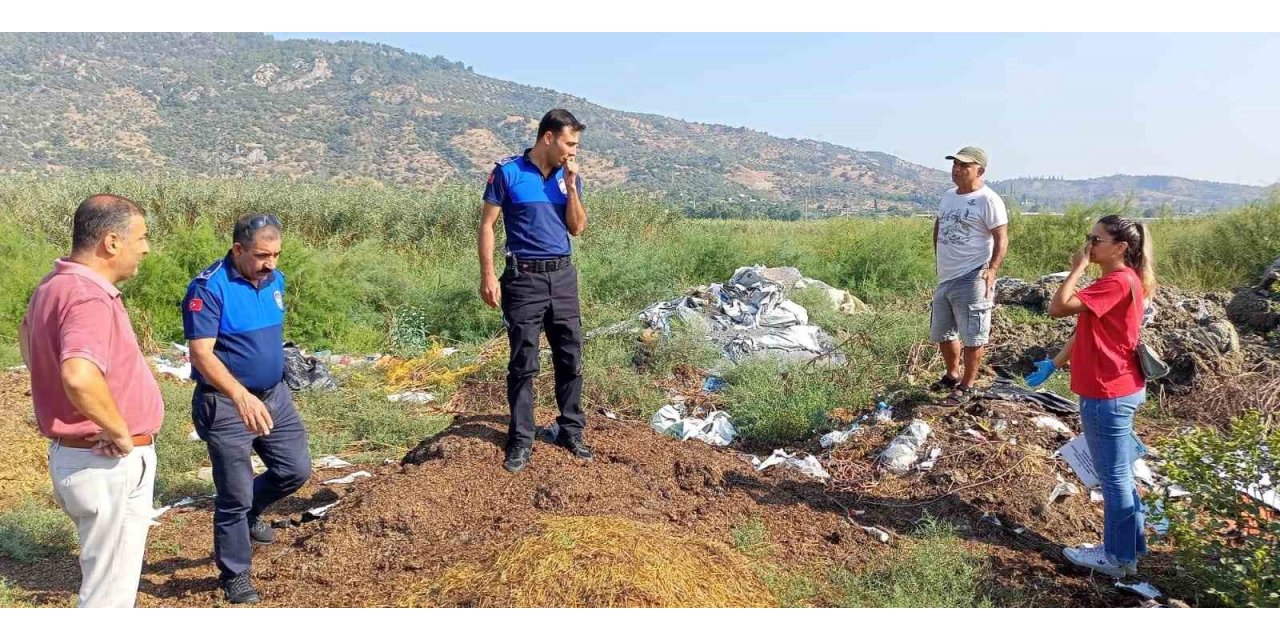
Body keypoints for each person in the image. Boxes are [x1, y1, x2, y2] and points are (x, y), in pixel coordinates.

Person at [18, 194, 162, 607]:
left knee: (105, 589)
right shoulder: (88, 295)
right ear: (112, 242)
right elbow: (79, 376)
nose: (146, 248)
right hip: (105, 462)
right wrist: (118, 430)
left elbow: (27, 336)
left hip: (81, 457)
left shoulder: (54, 284)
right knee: (107, 600)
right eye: (141, 237)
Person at [182, 214, 311, 604]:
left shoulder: (275, 280)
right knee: (234, 495)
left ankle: (252, 512)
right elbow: (201, 354)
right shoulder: (209, 287)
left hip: (273, 396)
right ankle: (235, 573)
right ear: (238, 249)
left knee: (294, 469)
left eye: (276, 254)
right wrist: (240, 396)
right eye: (261, 255)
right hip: (226, 403)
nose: (270, 263)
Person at [477, 108, 592, 473]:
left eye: (576, 145)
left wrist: (571, 187)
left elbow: (577, 229)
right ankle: (521, 439)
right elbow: (487, 226)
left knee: (570, 357)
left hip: (562, 277)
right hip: (523, 279)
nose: (573, 151)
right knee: (524, 362)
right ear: (548, 137)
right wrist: (488, 275)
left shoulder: (568, 177)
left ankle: (571, 431)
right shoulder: (508, 172)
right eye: (569, 144)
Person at [1047, 214, 1156, 578]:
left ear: (1120, 247)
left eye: (1096, 240)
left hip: (1107, 391)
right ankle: (1128, 549)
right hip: (1120, 387)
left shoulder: (1116, 281)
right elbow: (1087, 329)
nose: (1088, 245)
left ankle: (1116, 558)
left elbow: (1058, 308)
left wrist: (1076, 269)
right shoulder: (1124, 280)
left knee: (1114, 478)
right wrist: (1055, 363)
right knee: (1120, 474)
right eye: (1088, 238)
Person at [930, 146, 1009, 405]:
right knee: (943, 332)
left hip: (973, 275)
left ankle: (968, 385)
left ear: (980, 170)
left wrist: (992, 270)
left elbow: (1001, 238)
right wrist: (940, 259)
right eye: (955, 164)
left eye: (964, 165)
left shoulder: (988, 200)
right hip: (946, 277)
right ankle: (952, 374)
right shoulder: (948, 196)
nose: (957, 169)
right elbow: (939, 226)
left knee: (973, 335)